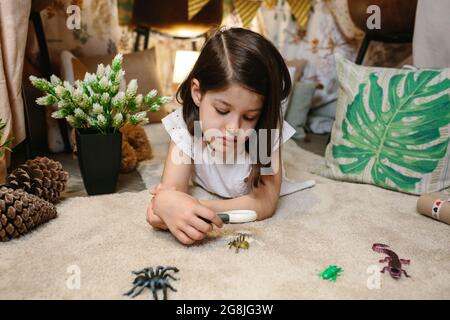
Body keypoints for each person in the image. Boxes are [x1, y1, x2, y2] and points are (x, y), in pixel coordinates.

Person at [147, 27, 313, 245]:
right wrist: (166, 204)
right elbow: (173, 190)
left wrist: (195, 208)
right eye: (222, 111)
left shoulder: (263, 133)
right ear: (197, 93)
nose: (234, 128)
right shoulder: (186, 125)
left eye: (250, 116)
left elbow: (264, 202)